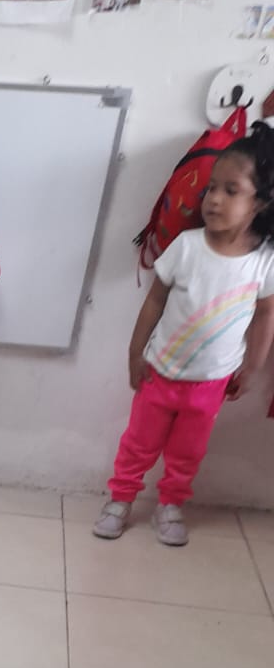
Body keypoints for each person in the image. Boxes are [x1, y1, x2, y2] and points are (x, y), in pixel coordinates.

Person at [95, 124, 274, 547]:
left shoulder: (263, 263)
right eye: (211, 188)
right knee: (139, 443)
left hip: (212, 383)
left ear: (261, 202)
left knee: (187, 452)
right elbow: (154, 301)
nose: (213, 199)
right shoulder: (187, 246)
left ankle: (171, 504)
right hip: (160, 372)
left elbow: (266, 316)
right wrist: (135, 353)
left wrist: (251, 369)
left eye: (231, 190)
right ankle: (120, 499)